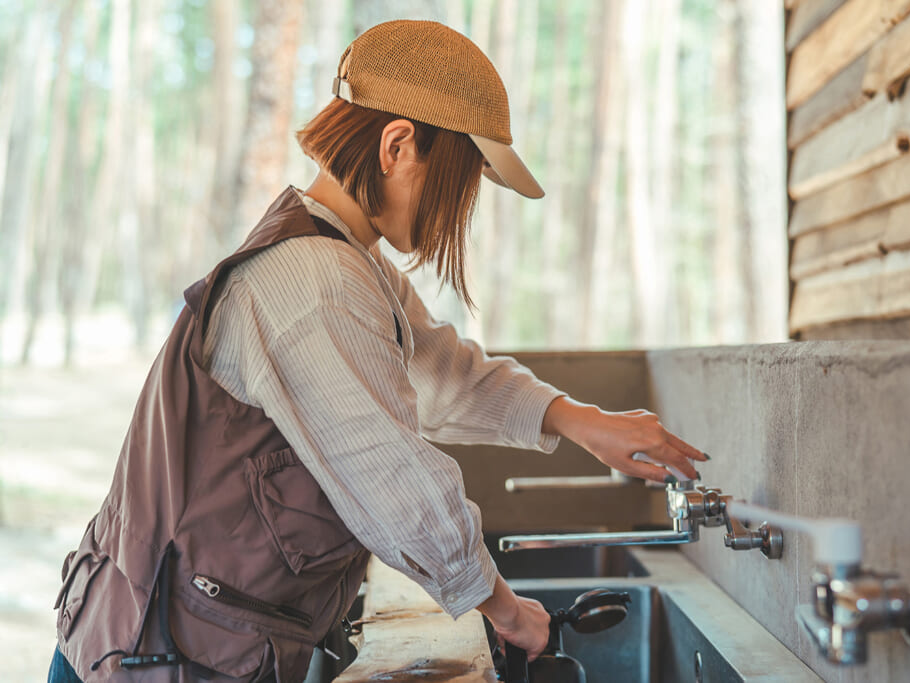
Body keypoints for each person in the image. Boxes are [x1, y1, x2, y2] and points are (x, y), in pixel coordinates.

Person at [49, 19, 707, 683]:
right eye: (461, 180)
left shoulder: (345, 261)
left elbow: (444, 376)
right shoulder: (313, 283)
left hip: (188, 646)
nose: (461, 209)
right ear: (397, 144)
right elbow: (400, 488)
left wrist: (580, 421)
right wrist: (508, 613)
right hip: (155, 656)